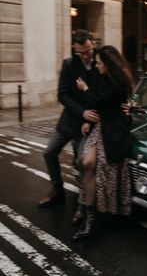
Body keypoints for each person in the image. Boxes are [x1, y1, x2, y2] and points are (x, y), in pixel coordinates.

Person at [72, 45, 135, 241]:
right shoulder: (101, 77)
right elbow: (94, 104)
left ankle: (100, 215)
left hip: (114, 129)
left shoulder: (119, 84)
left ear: (108, 65)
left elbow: (98, 101)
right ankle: (89, 217)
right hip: (99, 126)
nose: (97, 65)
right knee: (86, 163)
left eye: (99, 63)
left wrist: (85, 89)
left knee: (99, 167)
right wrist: (86, 119)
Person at [38, 29, 100, 210]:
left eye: (89, 51)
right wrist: (82, 113)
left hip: (89, 125)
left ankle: (83, 202)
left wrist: (89, 117)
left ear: (92, 44)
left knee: (83, 163)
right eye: (81, 52)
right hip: (69, 120)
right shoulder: (69, 64)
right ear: (74, 48)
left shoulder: (100, 63)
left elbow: (102, 94)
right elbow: (62, 95)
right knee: (49, 152)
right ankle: (57, 189)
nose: (87, 56)